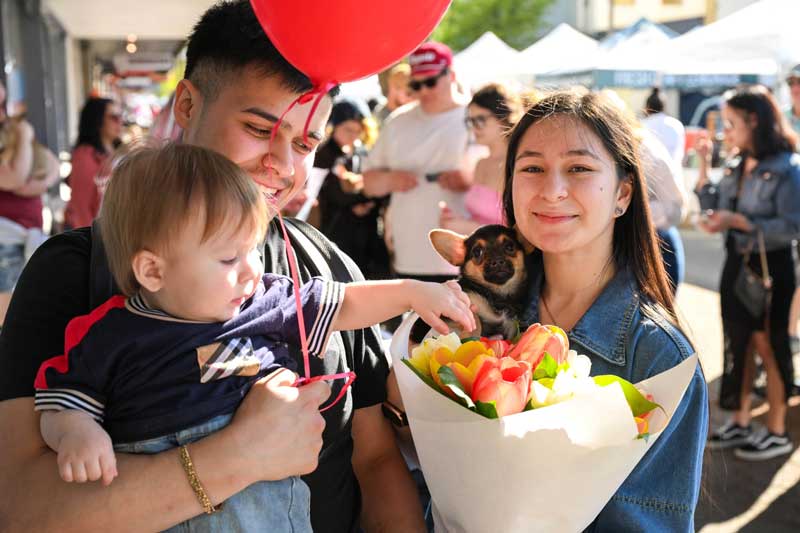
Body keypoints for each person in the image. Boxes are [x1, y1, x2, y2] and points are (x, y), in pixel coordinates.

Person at [0, 1, 425, 532]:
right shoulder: (76, 270)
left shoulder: (328, 266)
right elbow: (20, 507)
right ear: (185, 104)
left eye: (304, 142)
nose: (284, 164)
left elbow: (376, 461)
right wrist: (238, 456)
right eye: (257, 126)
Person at [35, 143, 472, 532]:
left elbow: (347, 304)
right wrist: (77, 433)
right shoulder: (108, 336)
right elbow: (62, 402)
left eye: (252, 249)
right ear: (152, 270)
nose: (252, 270)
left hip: (272, 511)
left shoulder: (265, 302)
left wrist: (412, 292)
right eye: (229, 258)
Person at [503, 89, 707, 529]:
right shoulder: (482, 322)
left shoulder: (659, 357)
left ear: (623, 194)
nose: (552, 190)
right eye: (532, 168)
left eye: (579, 168)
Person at [696, 85, 800, 460]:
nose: (727, 132)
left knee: (769, 347)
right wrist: (705, 164)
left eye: (732, 123)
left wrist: (738, 219)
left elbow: (792, 226)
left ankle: (775, 429)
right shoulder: (738, 163)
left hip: (771, 268)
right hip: (738, 263)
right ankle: (740, 421)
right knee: (738, 342)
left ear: (754, 121)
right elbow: (712, 203)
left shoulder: (788, 167)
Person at [363, 41, 472, 284]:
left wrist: (469, 182)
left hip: (466, 253)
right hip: (411, 253)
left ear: (452, 75)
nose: (423, 91)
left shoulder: (474, 117)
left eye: (431, 82)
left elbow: (503, 177)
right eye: (416, 85)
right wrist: (390, 180)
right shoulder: (398, 121)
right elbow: (368, 183)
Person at [0, 80, 60, 326]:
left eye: (3, 103)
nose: (3, 113)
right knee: (11, 320)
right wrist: (24, 136)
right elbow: (13, 176)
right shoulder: (17, 132)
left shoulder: (6, 131)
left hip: (20, 240)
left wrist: (40, 181)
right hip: (6, 244)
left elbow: (52, 167)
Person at [314, 98, 389, 279]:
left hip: (366, 233)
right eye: (348, 129)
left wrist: (369, 201)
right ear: (333, 126)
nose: (353, 135)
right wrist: (363, 196)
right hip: (335, 230)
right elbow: (332, 193)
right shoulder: (324, 154)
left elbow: (378, 186)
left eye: (358, 131)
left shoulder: (362, 152)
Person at [439, 83, 521, 235]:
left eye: (480, 119)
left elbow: (519, 230)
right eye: (470, 121)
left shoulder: (517, 165)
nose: (474, 127)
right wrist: (455, 221)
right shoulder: (481, 164)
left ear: (503, 118)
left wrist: (468, 227)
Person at [63, 97, 122, 230]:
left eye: (120, 116)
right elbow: (81, 208)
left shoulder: (118, 151)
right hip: (93, 236)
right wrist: (93, 245)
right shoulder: (85, 156)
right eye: (113, 117)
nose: (120, 122)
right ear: (97, 120)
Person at [782, 65, 800, 356]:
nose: (795, 86)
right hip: (785, 208)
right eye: (793, 82)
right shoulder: (782, 119)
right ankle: (789, 334)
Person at [641, 87, 686, 169]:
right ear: (663, 106)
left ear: (647, 107)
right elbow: (681, 154)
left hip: (650, 176)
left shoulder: (642, 125)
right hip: (675, 174)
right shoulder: (677, 125)